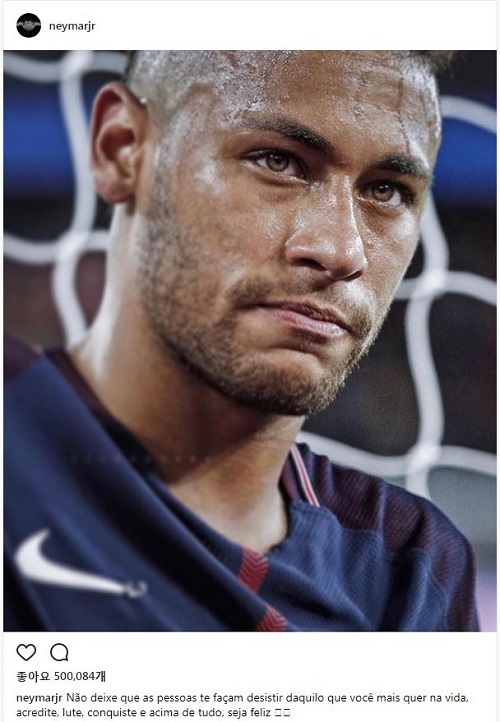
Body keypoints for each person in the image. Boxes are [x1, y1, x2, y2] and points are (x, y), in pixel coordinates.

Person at [4, 51, 478, 631]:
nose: (341, 251)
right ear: (122, 148)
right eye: (279, 162)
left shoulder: (409, 568)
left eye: (387, 190)